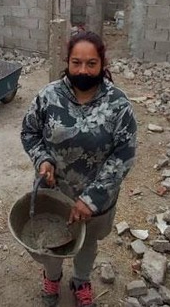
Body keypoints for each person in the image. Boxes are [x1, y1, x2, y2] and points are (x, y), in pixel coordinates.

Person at [21, 31, 137, 307]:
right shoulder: (48, 97)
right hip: (54, 192)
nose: (83, 70)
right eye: (76, 63)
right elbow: (30, 133)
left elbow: (125, 154)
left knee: (86, 243)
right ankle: (52, 276)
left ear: (102, 63)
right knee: (50, 243)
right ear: (68, 62)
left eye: (91, 64)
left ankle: (81, 281)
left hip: (97, 200)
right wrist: (43, 160)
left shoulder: (118, 105)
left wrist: (92, 199)